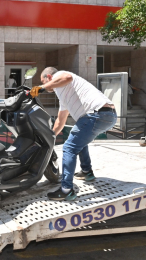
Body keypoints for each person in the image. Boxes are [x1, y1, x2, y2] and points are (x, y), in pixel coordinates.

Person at [32, 67, 117, 201]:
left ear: (49, 77)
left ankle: (66, 190)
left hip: (95, 115)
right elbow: (60, 120)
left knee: (68, 148)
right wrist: (51, 136)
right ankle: (87, 172)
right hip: (107, 115)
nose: (48, 86)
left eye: (44, 81)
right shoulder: (63, 94)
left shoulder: (60, 75)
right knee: (79, 142)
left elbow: (66, 77)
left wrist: (42, 87)